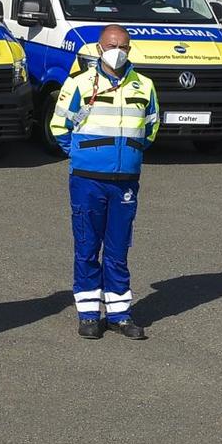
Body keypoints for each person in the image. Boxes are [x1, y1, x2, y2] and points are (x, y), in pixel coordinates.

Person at [49, 25, 161, 339]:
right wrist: (84, 157)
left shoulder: (145, 86)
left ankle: (119, 314)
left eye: (124, 46)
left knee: (118, 249)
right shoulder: (79, 84)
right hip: (88, 180)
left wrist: (129, 156)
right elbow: (59, 126)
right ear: (100, 48)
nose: (118, 51)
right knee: (86, 247)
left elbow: (151, 129)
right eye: (112, 45)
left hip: (125, 180)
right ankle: (88, 314)